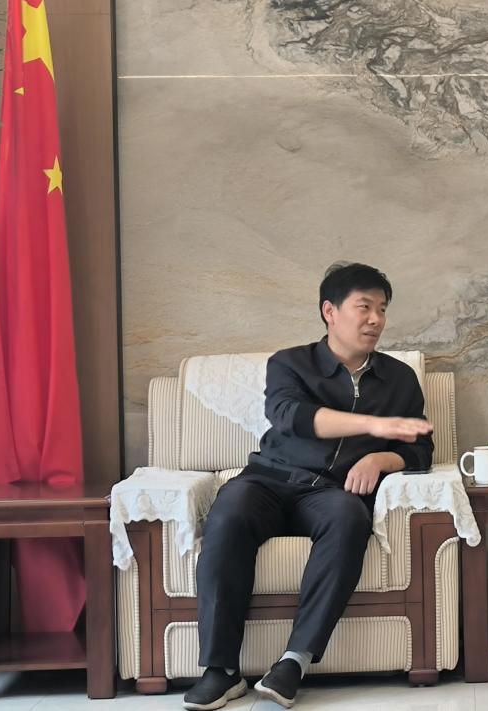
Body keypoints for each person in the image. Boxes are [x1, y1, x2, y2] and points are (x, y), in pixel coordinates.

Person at [184, 262, 434, 710]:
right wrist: (373, 425)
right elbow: (292, 417)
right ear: (329, 311)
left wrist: (380, 458)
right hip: (269, 480)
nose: (375, 319)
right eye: (364, 307)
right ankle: (220, 670)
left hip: (333, 492)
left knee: (349, 517)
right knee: (229, 513)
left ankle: (293, 662)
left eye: (382, 309)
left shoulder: (399, 379)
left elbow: (420, 448)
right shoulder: (290, 363)